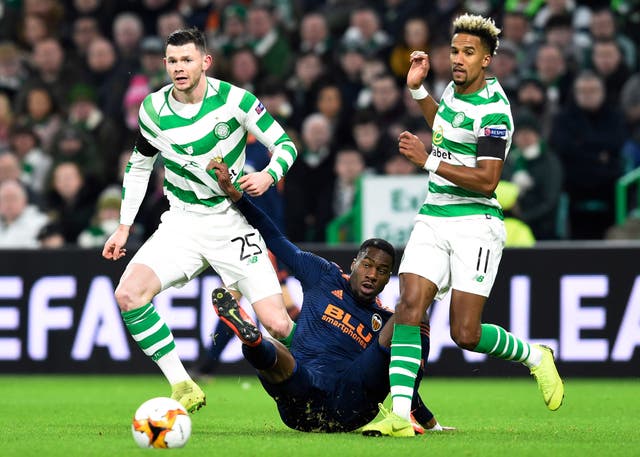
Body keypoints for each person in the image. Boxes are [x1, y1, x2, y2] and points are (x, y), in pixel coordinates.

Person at [362, 13, 564, 437]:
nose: (458, 59)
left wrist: (428, 160)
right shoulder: (454, 91)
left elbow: (488, 178)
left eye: (468, 53)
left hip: (476, 224)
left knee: (465, 334)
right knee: (408, 308)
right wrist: (417, 89)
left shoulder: (495, 110)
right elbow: (446, 127)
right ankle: (400, 414)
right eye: (454, 51)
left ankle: (535, 355)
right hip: (434, 216)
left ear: (487, 59)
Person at [101, 28, 298, 414]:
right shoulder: (153, 109)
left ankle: (329, 375)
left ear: (205, 62)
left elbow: (286, 145)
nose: (179, 67)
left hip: (232, 222)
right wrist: (124, 226)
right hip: (182, 222)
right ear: (164, 65)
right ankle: (183, 385)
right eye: (172, 61)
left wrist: (267, 175)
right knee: (128, 294)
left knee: (277, 324)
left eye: (187, 59)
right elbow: (139, 166)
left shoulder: (236, 101)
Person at [208, 160, 449, 434]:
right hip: (302, 396)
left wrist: (431, 423)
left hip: (351, 403)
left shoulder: (383, 320)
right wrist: (238, 198)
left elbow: (401, 377)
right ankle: (253, 340)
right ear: (354, 263)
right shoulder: (323, 275)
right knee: (278, 355)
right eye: (367, 265)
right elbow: (273, 237)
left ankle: (401, 416)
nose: (372, 274)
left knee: (411, 312)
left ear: (388, 278)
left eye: (382, 271)